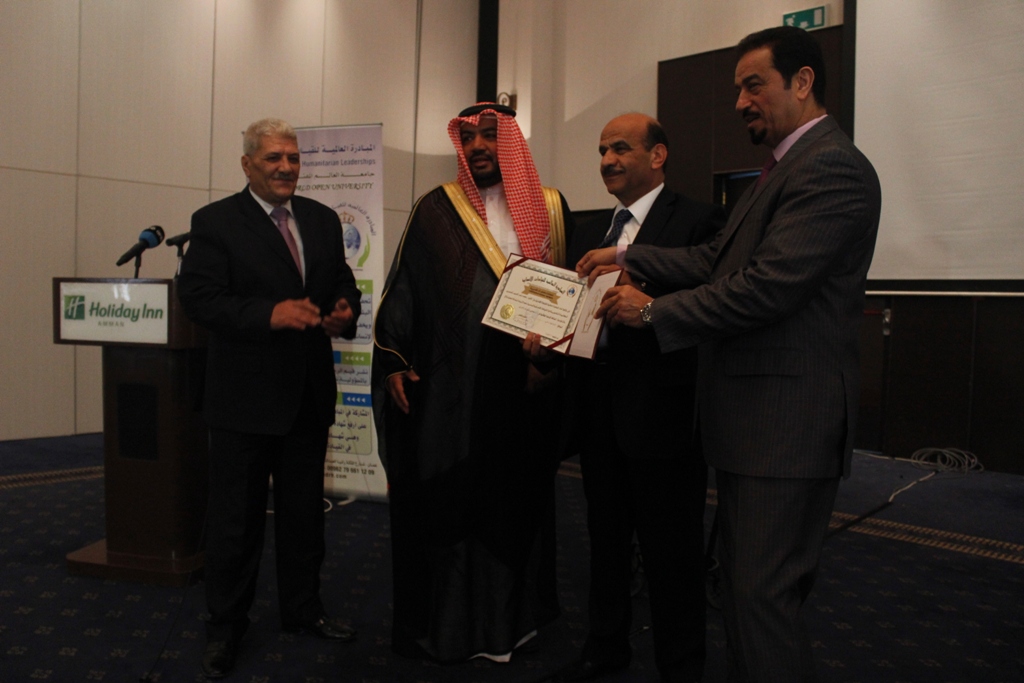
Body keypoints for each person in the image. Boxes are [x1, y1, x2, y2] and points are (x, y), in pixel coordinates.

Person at [579, 27, 881, 683]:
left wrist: (651, 310)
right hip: (755, 426)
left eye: (753, 85)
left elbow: (765, 288)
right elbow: (717, 258)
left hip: (786, 426)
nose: (740, 101)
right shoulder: (784, 168)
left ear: (802, 81)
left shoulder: (829, 167)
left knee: (762, 601)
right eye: (738, 88)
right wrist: (625, 253)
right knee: (746, 596)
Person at [372, 103, 574, 663]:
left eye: (490, 135)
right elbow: (403, 292)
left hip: (522, 389)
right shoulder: (435, 208)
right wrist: (394, 361)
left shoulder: (551, 208)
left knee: (513, 502)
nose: (479, 146)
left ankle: (511, 626)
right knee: (452, 504)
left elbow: (569, 295)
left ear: (511, 141)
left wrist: (549, 360)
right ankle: (453, 629)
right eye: (469, 138)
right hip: (451, 395)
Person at [178, 118, 362, 679]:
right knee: (235, 524)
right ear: (247, 165)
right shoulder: (215, 222)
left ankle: (303, 610)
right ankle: (225, 627)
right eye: (273, 158)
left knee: (304, 518)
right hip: (244, 401)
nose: (286, 168)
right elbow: (199, 298)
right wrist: (269, 314)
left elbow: (341, 280)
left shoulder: (322, 219)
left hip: (307, 395)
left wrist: (345, 310)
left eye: (293, 158)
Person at [558, 114, 724, 683]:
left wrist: (644, 296)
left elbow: (711, 301)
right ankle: (605, 648)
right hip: (598, 411)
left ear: (658, 155)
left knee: (671, 552)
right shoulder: (590, 231)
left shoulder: (699, 221)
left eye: (621, 148)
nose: (607, 160)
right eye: (602, 150)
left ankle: (681, 666)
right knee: (605, 542)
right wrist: (544, 337)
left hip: (665, 414)